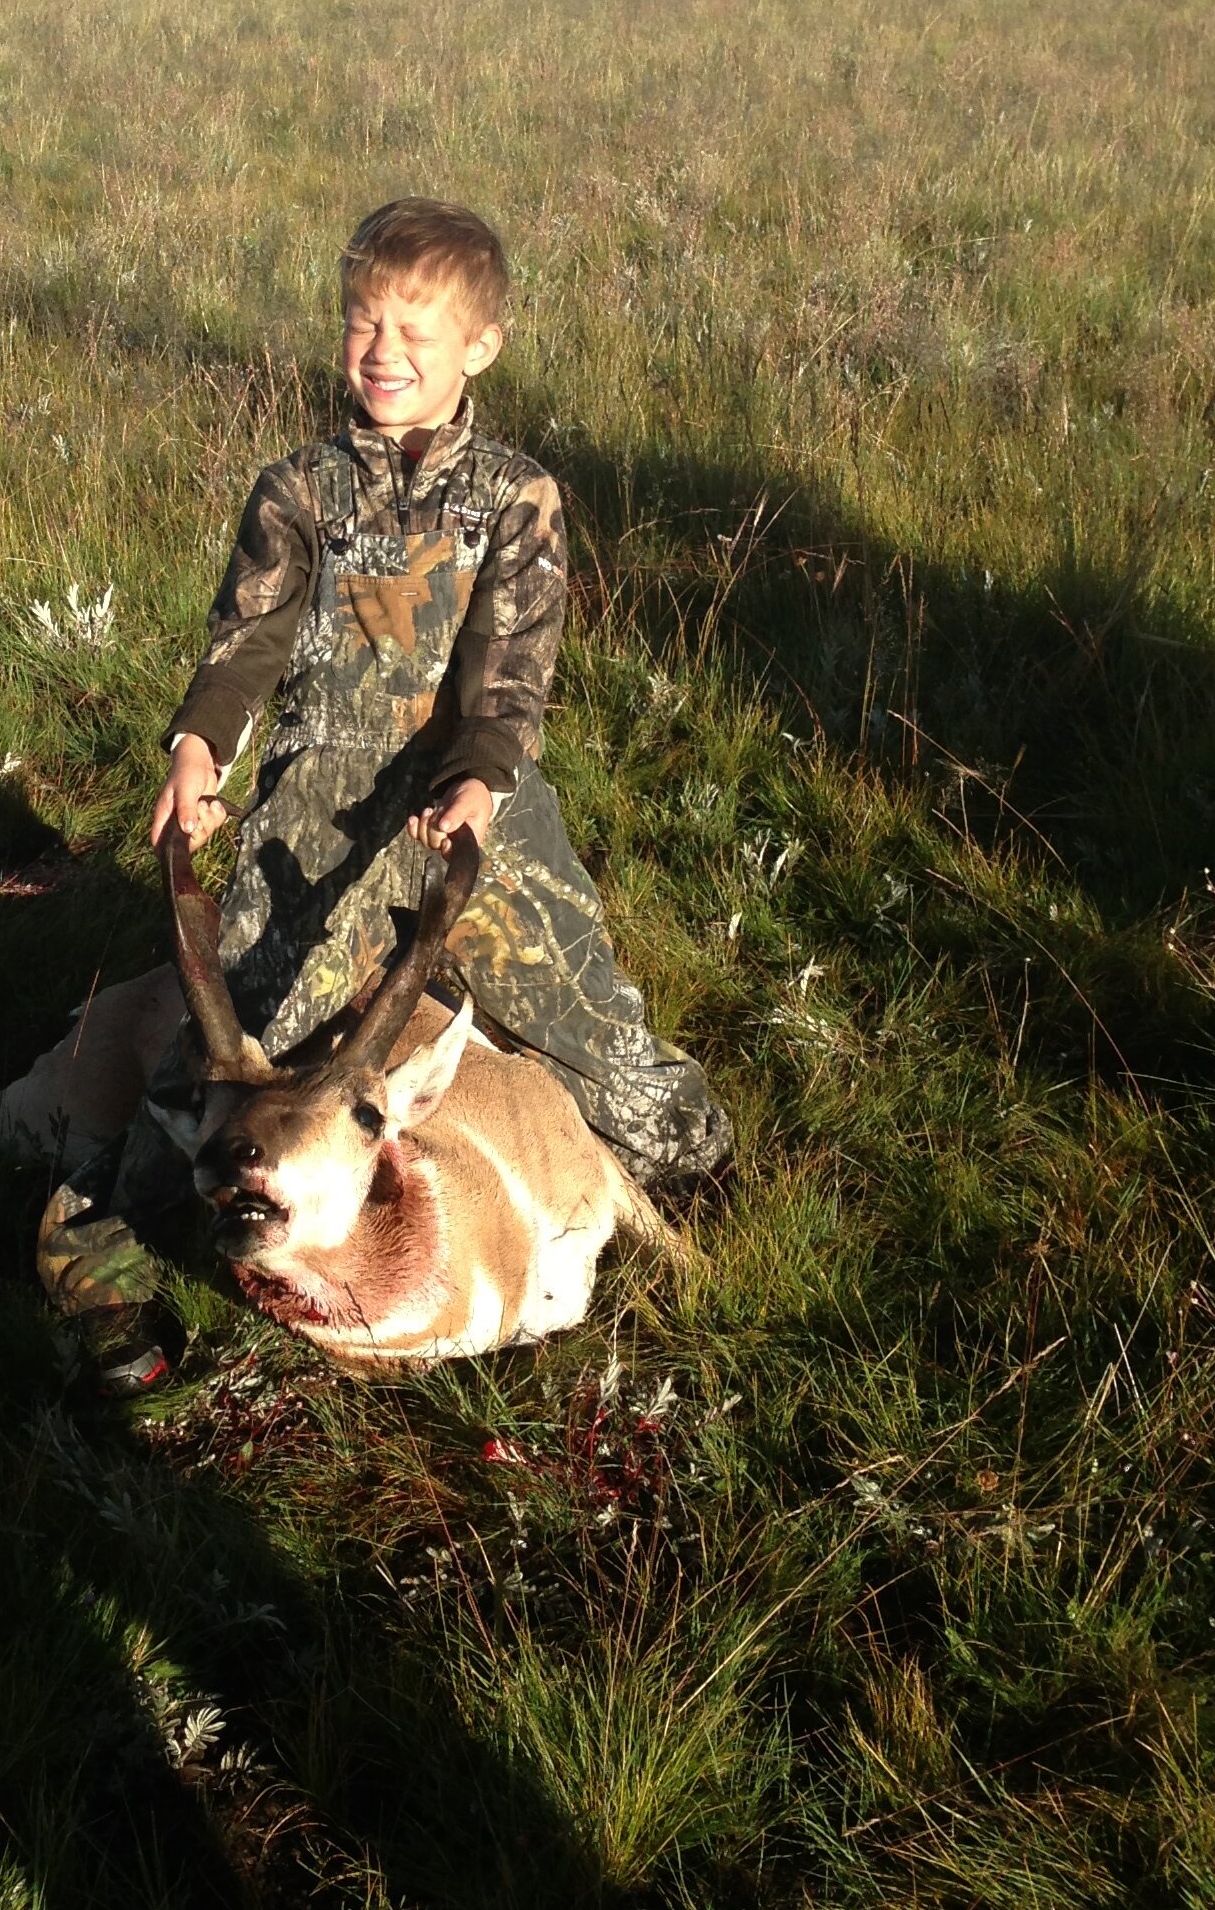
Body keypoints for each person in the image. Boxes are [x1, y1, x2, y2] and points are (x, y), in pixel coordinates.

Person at [41, 199, 729, 1380]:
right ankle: (101, 1270)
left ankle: (704, 1185)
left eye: (417, 328)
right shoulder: (299, 489)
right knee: (206, 1072)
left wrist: (480, 780)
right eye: (364, 321)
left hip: (467, 812)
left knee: (592, 1024)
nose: (383, 351)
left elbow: (512, 672)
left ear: (482, 347)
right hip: (315, 809)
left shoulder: (519, 498)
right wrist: (200, 748)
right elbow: (246, 641)